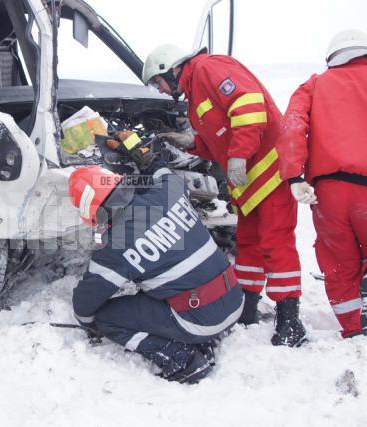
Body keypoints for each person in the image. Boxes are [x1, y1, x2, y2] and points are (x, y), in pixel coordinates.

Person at [141, 44, 306, 346]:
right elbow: (216, 142)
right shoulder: (194, 97)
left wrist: (239, 156)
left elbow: (249, 105)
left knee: (276, 243)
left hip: (270, 171)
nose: (160, 90)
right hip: (248, 185)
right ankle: (247, 309)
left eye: (158, 82)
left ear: (170, 69)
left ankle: (290, 320)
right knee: (249, 246)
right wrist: (191, 143)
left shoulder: (208, 68)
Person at [68, 134, 243, 384]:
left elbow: (84, 304)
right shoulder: (167, 193)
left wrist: (89, 324)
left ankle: (181, 359)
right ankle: (203, 335)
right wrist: (137, 150)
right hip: (233, 297)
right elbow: (160, 169)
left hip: (201, 320)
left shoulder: (114, 247)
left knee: (107, 318)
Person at [276, 29, 367, 338]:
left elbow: (291, 127)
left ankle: (354, 328)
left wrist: (294, 176)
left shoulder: (315, 84)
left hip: (330, 193)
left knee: (339, 260)